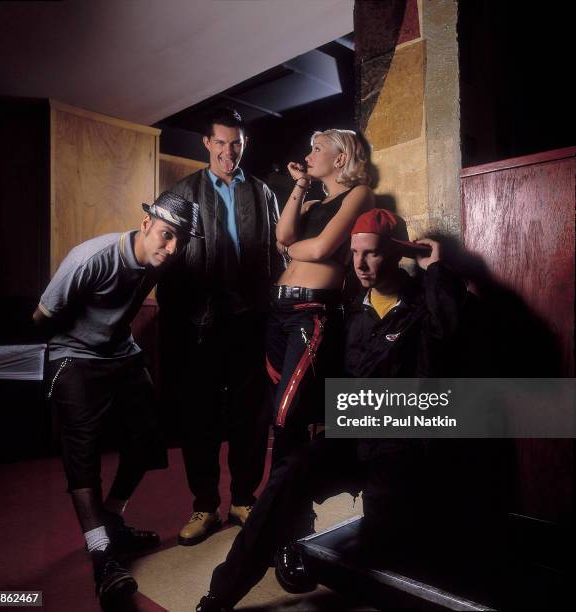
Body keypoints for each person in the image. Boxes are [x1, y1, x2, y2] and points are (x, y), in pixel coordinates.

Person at [195, 208, 467, 612]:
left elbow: (452, 332)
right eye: (355, 253)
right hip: (352, 440)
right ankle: (221, 594)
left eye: (371, 254)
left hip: (401, 450)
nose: (359, 264)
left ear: (394, 255)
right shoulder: (351, 309)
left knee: (385, 555)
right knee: (290, 472)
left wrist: (436, 269)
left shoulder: (421, 305)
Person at [33, 192, 202, 609]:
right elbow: (41, 317)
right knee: (82, 448)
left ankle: (111, 520)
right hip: (73, 352)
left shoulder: (163, 259)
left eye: (180, 240)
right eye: (166, 235)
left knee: (148, 439)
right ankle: (101, 554)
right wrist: (77, 343)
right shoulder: (90, 259)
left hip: (121, 353)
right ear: (145, 225)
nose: (172, 248)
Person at [156, 107, 281, 546]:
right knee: (200, 417)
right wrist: (181, 322)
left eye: (237, 143)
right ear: (206, 144)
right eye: (221, 143)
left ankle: (243, 498)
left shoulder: (264, 193)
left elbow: (277, 256)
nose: (229, 152)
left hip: (250, 320)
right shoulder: (182, 191)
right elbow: (165, 263)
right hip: (201, 325)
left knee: (251, 415)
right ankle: (205, 505)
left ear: (243, 144)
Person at [265, 129, 374, 562]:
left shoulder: (359, 194)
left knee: (285, 416)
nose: (308, 155)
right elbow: (283, 236)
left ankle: (282, 519)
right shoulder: (311, 200)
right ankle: (292, 521)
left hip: (312, 311)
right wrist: (299, 186)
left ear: (342, 156)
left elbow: (326, 246)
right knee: (285, 416)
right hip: (276, 313)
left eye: (317, 149)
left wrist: (295, 250)